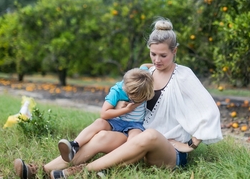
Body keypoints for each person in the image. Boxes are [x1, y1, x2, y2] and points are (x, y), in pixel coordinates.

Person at [13, 18, 223, 179]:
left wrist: (191, 144)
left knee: (150, 135)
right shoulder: (147, 74)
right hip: (137, 137)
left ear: (174, 51)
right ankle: (41, 170)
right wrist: (123, 105)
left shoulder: (184, 75)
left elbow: (210, 110)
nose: (157, 60)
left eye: (163, 55)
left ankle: (79, 172)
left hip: (167, 152)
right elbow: (125, 92)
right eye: (153, 54)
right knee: (101, 137)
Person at [57, 68, 154, 163]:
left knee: (135, 137)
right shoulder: (118, 90)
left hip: (136, 124)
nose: (134, 99)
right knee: (99, 122)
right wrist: (126, 110)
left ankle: (118, 160)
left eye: (140, 98)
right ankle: (74, 145)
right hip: (117, 121)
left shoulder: (144, 80)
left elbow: (146, 65)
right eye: (131, 95)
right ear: (126, 87)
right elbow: (104, 114)